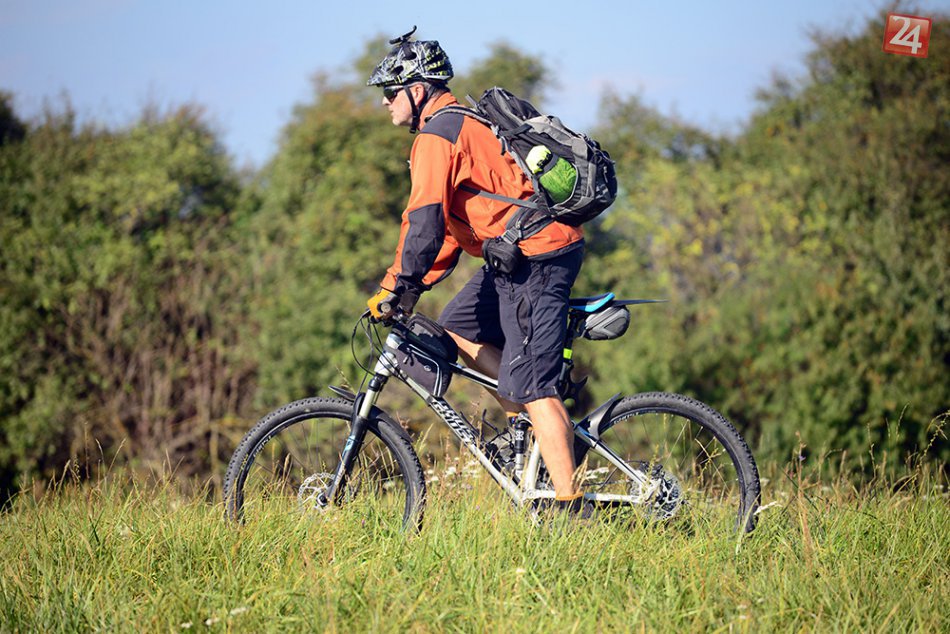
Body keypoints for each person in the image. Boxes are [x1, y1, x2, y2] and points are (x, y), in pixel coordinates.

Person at [365, 30, 587, 512]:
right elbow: (447, 230)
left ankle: (571, 512)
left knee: (533, 384)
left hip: (537, 257)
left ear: (416, 90)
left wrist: (395, 286)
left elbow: (421, 224)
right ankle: (527, 434)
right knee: (459, 327)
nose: (385, 104)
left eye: (389, 93)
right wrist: (410, 288)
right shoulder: (459, 124)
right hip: (513, 255)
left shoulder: (437, 135)